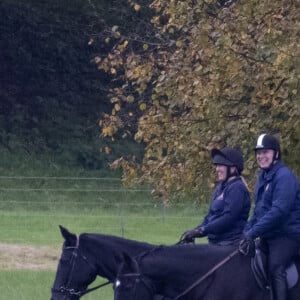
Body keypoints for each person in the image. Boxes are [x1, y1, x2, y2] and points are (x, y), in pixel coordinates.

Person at [241, 133, 300, 300]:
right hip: (270, 236)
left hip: (287, 236)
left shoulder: (284, 176)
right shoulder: (264, 178)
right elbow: (259, 212)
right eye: (258, 153)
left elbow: (279, 212)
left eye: (265, 152)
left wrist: (253, 233)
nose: (261, 156)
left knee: (275, 267)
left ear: (276, 154)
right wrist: (245, 232)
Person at [181, 147, 251, 246]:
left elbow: (228, 218)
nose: (217, 169)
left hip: (230, 243)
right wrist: (197, 230)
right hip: (216, 242)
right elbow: (211, 216)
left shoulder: (237, 188)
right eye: (217, 165)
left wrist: (203, 230)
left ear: (233, 168)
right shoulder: (221, 187)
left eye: (221, 165)